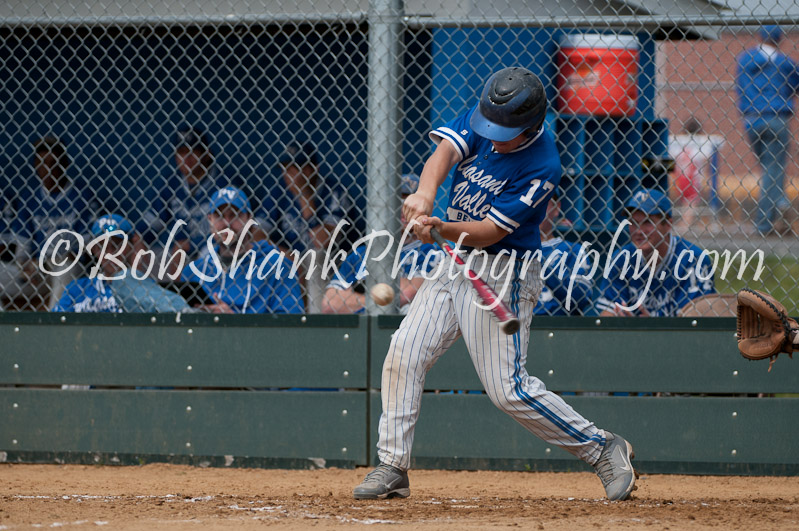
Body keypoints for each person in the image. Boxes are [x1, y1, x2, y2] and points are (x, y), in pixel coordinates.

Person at [352, 67, 636, 502]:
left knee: (508, 391)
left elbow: (489, 231)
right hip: (454, 263)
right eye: (491, 127)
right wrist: (426, 195)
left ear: (532, 126)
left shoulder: (543, 165)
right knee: (404, 354)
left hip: (503, 269)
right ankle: (392, 465)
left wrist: (440, 228)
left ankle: (602, 447)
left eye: (505, 132)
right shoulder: (489, 114)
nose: (494, 137)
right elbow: (444, 154)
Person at [321, 174, 443, 314]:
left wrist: (354, 297)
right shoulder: (360, 254)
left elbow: (407, 294)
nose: (404, 209)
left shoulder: (431, 253)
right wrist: (380, 298)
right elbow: (329, 303)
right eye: (397, 203)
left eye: (410, 203)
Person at [257, 141, 354, 312]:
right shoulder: (279, 190)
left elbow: (321, 240)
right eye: (285, 168)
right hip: (291, 257)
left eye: (294, 168)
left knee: (314, 257)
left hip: (336, 263)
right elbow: (255, 233)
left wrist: (304, 197)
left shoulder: (334, 192)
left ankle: (316, 321)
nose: (288, 174)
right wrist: (282, 252)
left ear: (310, 170)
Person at [181, 186, 304, 314]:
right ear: (210, 220)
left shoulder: (278, 267)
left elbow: (291, 326)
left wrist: (234, 320)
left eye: (234, 215)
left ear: (249, 219)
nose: (227, 223)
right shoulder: (193, 272)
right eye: (219, 215)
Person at [596, 188, 716, 317]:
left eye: (647, 222)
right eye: (633, 223)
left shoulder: (693, 260)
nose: (638, 231)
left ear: (668, 224)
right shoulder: (622, 258)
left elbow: (696, 323)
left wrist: (653, 329)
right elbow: (606, 313)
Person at [144, 126, 243, 276]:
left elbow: (235, 228)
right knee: (154, 250)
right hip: (181, 251)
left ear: (207, 154)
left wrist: (194, 245)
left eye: (193, 152)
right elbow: (148, 226)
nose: (187, 158)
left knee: (192, 254)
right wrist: (138, 239)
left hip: (217, 248)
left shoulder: (224, 182)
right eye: (182, 152)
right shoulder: (172, 183)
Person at [15, 136, 95, 309]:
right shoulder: (29, 199)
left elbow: (90, 246)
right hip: (39, 268)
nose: (48, 169)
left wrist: (70, 256)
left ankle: (54, 324)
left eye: (54, 163)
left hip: (69, 266)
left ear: (64, 164)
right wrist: (25, 266)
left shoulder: (82, 197)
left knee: (64, 269)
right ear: (36, 166)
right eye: (43, 163)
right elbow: (22, 249)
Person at [52, 214, 191, 313]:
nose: (111, 253)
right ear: (94, 250)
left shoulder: (145, 290)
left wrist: (137, 263)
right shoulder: (77, 289)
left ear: (132, 245)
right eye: (103, 247)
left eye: (117, 245)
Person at [735, 25, 799, 235]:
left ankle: (780, 202)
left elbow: (741, 87)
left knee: (769, 168)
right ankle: (765, 221)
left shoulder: (745, 60)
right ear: (779, 40)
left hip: (752, 119)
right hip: (776, 118)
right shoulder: (785, 63)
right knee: (774, 169)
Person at [535, 191, 595, 316]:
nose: (535, 209)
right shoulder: (506, 248)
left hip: (555, 325)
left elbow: (580, 300)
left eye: (542, 202)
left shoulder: (572, 251)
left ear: (556, 208)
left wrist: (540, 262)